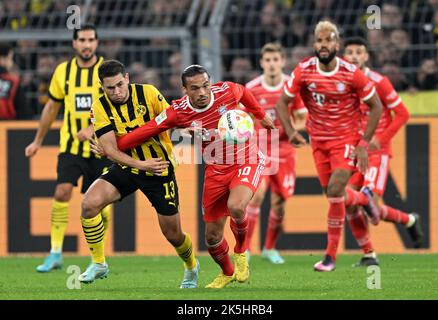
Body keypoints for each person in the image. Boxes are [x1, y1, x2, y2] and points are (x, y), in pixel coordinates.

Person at [113, 65, 275, 288]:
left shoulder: (226, 91)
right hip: (216, 170)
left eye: (205, 86)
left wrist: (262, 115)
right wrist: (115, 146)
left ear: (211, 83)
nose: (202, 92)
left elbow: (244, 92)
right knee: (211, 238)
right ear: (185, 90)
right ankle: (227, 272)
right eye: (195, 88)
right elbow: (149, 129)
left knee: (237, 206)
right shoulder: (178, 112)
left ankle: (241, 252)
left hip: (246, 159)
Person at [276, 21, 383, 272]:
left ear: (337, 44)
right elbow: (282, 103)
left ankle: (330, 257)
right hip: (318, 141)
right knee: (336, 197)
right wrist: (291, 132)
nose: (323, 45)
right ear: (315, 43)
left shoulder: (350, 73)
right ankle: (363, 199)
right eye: (319, 40)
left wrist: (363, 144)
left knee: (335, 190)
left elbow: (377, 105)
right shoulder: (304, 70)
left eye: (328, 40)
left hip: (346, 139)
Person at [82, 59, 199, 288]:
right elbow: (110, 150)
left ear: (127, 79)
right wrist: (140, 164)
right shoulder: (99, 107)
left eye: (119, 85)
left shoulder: (148, 93)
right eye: (110, 88)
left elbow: (170, 120)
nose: (116, 92)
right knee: (89, 204)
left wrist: (188, 129)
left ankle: (191, 266)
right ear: (101, 87)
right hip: (129, 167)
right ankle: (99, 263)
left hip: (159, 169)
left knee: (173, 234)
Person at [24, 24, 112, 272]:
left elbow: (116, 108)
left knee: (99, 204)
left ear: (97, 42)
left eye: (91, 39)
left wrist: (93, 129)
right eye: (82, 39)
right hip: (71, 147)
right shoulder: (63, 71)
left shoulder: (106, 71)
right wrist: (37, 141)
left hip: (100, 147)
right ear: (74, 43)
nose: (86, 44)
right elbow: (51, 107)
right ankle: (55, 253)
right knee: (62, 191)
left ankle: (98, 257)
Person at [343, 37, 423, 266]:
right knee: (348, 200)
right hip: (356, 153)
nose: (354, 56)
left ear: (366, 56)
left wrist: (381, 139)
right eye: (350, 52)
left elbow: (403, 113)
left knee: (369, 201)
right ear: (344, 57)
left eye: (359, 52)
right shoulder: (342, 84)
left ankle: (407, 220)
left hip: (377, 153)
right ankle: (370, 253)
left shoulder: (379, 82)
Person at [244, 43, 307, 264]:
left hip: (285, 150)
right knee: (256, 195)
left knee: (280, 202)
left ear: (282, 61)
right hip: (259, 149)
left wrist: (290, 131)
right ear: (262, 63)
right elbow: (242, 119)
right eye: (267, 60)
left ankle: (269, 248)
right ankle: (246, 249)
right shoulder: (251, 88)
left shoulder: (291, 87)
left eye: (275, 60)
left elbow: (301, 116)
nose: (271, 64)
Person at [0, 42, 29, 119]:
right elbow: (23, 112)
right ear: (2, 59)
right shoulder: (14, 82)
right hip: (6, 127)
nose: (11, 63)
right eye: (10, 58)